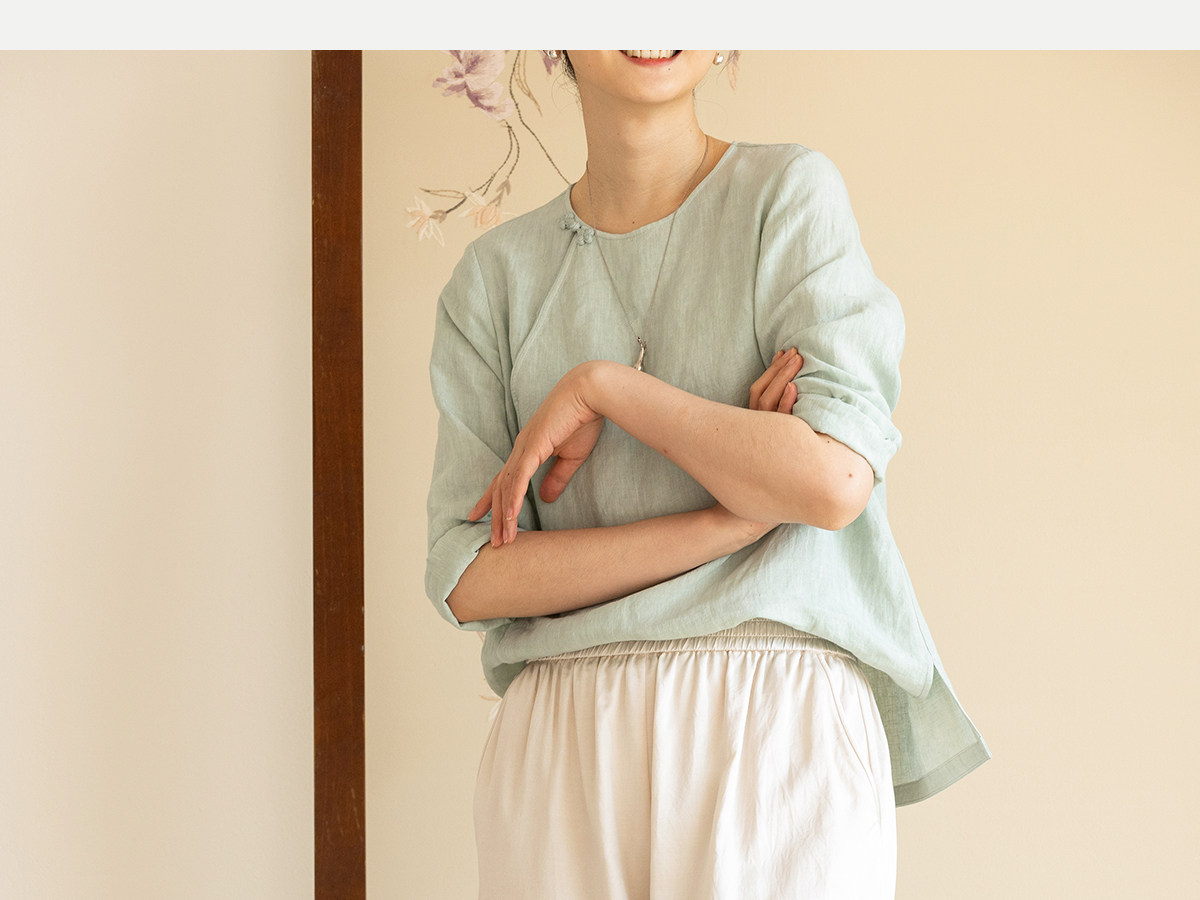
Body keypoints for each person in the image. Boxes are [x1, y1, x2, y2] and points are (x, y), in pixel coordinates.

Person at [425, 50, 989, 899]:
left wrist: (605, 388)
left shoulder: (786, 195)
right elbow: (468, 576)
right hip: (561, 735)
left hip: (774, 715)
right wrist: (736, 519)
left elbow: (833, 482)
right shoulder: (494, 276)